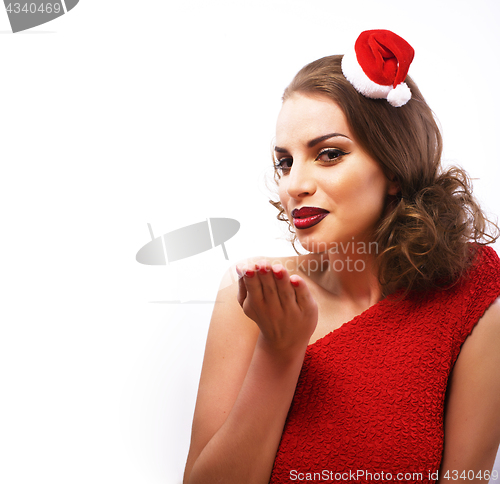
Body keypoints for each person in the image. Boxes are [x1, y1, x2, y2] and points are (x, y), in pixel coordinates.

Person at [182, 30, 500, 483]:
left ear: (394, 168)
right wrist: (280, 352)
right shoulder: (252, 294)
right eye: (284, 162)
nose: (293, 185)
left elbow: (466, 478)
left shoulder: (472, 293)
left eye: (328, 154)